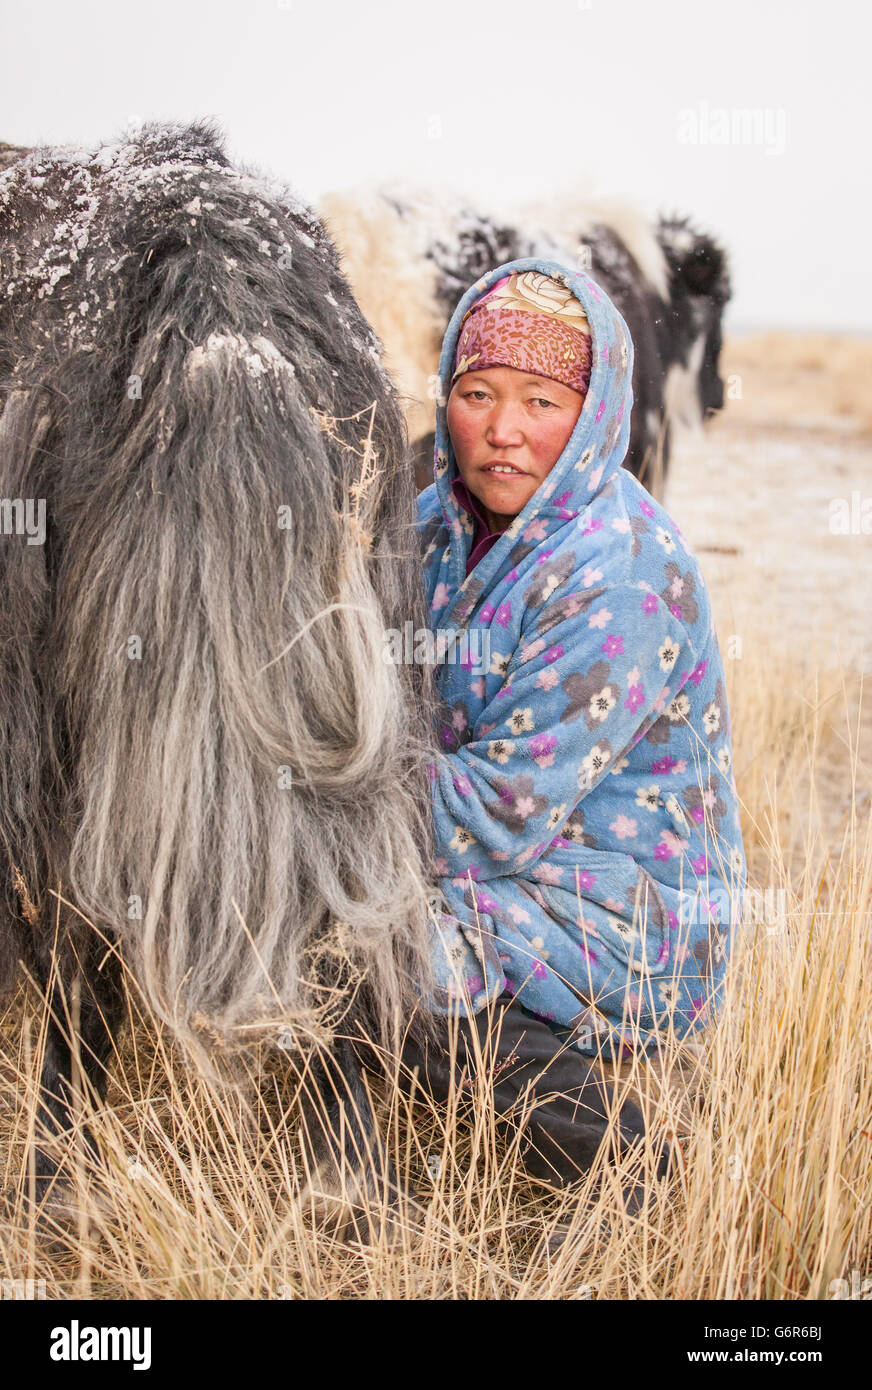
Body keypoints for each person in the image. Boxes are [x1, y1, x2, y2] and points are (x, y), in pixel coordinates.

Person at [401, 259, 746, 1188]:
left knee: (379, 956)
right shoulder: (434, 523)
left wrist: (313, 804)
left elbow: (494, 817)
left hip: (624, 909)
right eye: (477, 393)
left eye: (542, 401)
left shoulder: (620, 568)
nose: (502, 431)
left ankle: (626, 1164)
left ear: (595, 412)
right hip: (496, 857)